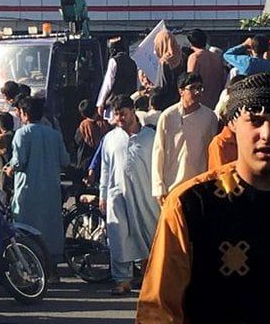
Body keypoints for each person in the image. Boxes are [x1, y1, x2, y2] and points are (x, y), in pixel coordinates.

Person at [137, 73, 270, 322]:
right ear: (232, 124)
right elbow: (158, 309)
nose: (268, 134)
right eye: (255, 121)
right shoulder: (190, 204)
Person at [99, 95, 159, 296]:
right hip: (117, 196)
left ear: (133, 111)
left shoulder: (150, 138)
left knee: (150, 234)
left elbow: (160, 168)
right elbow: (105, 169)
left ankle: (150, 276)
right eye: (116, 115)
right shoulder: (110, 139)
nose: (120, 119)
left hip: (146, 195)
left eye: (123, 114)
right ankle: (122, 280)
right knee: (118, 238)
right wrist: (103, 195)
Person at [5, 96, 70, 277]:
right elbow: (65, 160)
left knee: (26, 228)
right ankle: (53, 268)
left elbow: (18, 162)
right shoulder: (54, 134)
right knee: (50, 227)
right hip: (50, 188)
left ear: (24, 114)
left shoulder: (22, 133)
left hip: (28, 190)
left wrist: (9, 169)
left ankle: (33, 267)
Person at [151, 72, 218, 204]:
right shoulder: (168, 116)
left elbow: (213, 151)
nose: (198, 92)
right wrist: (159, 187)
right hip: (173, 184)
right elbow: (158, 151)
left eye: (200, 87)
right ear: (181, 91)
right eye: (193, 88)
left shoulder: (210, 117)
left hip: (200, 184)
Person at [96, 37, 138, 118]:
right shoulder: (132, 62)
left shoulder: (114, 61)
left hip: (114, 103)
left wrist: (100, 103)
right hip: (129, 103)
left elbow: (108, 84)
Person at [186, 28, 227, 110]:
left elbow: (190, 81)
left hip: (201, 102)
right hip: (217, 100)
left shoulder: (194, 57)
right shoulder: (217, 57)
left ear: (191, 43)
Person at [74, 99, 110, 174]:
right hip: (103, 164)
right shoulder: (106, 124)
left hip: (84, 165)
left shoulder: (83, 127)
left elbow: (77, 141)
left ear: (83, 114)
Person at [151, 30, 184, 111]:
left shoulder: (165, 61)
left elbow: (162, 86)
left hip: (166, 105)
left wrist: (152, 91)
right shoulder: (182, 57)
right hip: (180, 101)